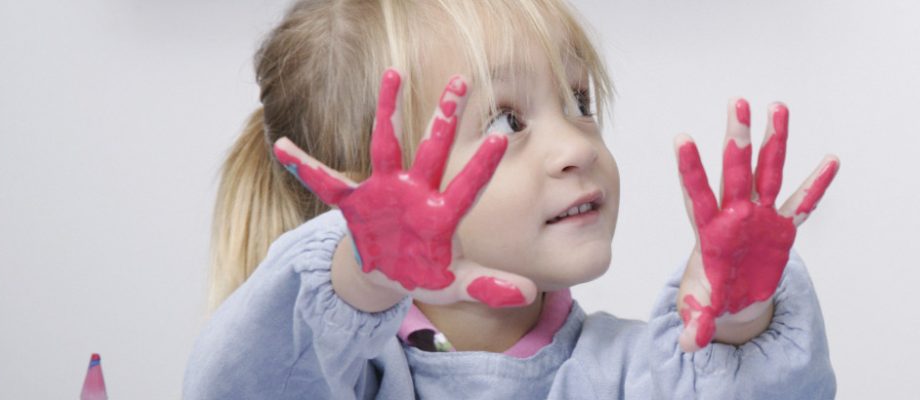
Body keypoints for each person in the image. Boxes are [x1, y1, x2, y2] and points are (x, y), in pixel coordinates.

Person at [185, 0, 839, 398]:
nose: (577, 146)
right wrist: (359, 271)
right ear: (371, 189)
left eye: (579, 102)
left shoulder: (633, 377)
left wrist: (739, 319)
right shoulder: (346, 379)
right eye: (506, 121)